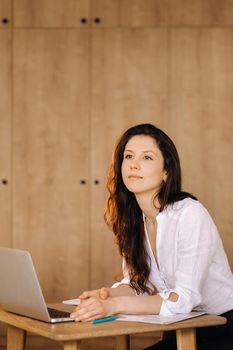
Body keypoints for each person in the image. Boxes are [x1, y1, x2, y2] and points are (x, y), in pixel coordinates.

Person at [70, 123, 233, 349]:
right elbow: (139, 284)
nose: (134, 164)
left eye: (147, 158)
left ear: (166, 172)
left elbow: (183, 299)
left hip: (221, 327)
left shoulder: (190, 214)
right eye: (128, 156)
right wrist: (107, 295)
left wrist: (114, 306)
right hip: (177, 326)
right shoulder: (133, 221)